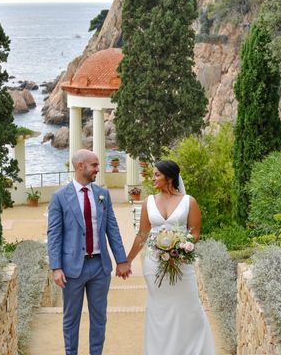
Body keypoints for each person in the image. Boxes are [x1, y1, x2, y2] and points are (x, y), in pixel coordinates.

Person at [125, 160, 216, 355]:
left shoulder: (189, 201)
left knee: (188, 307)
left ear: (170, 177)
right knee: (160, 309)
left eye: (157, 174)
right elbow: (142, 234)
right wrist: (128, 260)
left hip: (182, 263)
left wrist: (180, 246)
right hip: (154, 264)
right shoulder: (148, 202)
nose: (153, 178)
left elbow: (195, 233)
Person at [47, 149, 132, 355]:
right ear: (80, 166)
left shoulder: (103, 194)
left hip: (100, 268)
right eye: (94, 165)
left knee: (99, 318)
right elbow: (54, 234)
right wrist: (56, 267)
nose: (97, 169)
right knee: (71, 319)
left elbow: (112, 228)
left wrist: (122, 260)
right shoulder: (59, 197)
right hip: (71, 269)